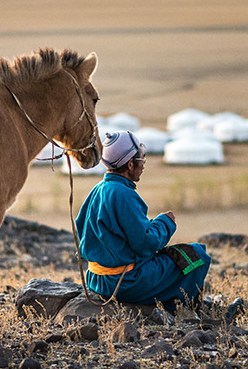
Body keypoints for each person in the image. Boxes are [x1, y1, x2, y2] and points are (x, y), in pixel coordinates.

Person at [74, 131, 211, 312]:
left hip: (96, 278)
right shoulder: (123, 194)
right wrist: (165, 222)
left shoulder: (98, 189)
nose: (143, 166)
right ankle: (181, 309)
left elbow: (82, 234)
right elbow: (147, 243)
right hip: (124, 282)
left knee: (178, 256)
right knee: (198, 255)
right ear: (130, 164)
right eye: (142, 160)